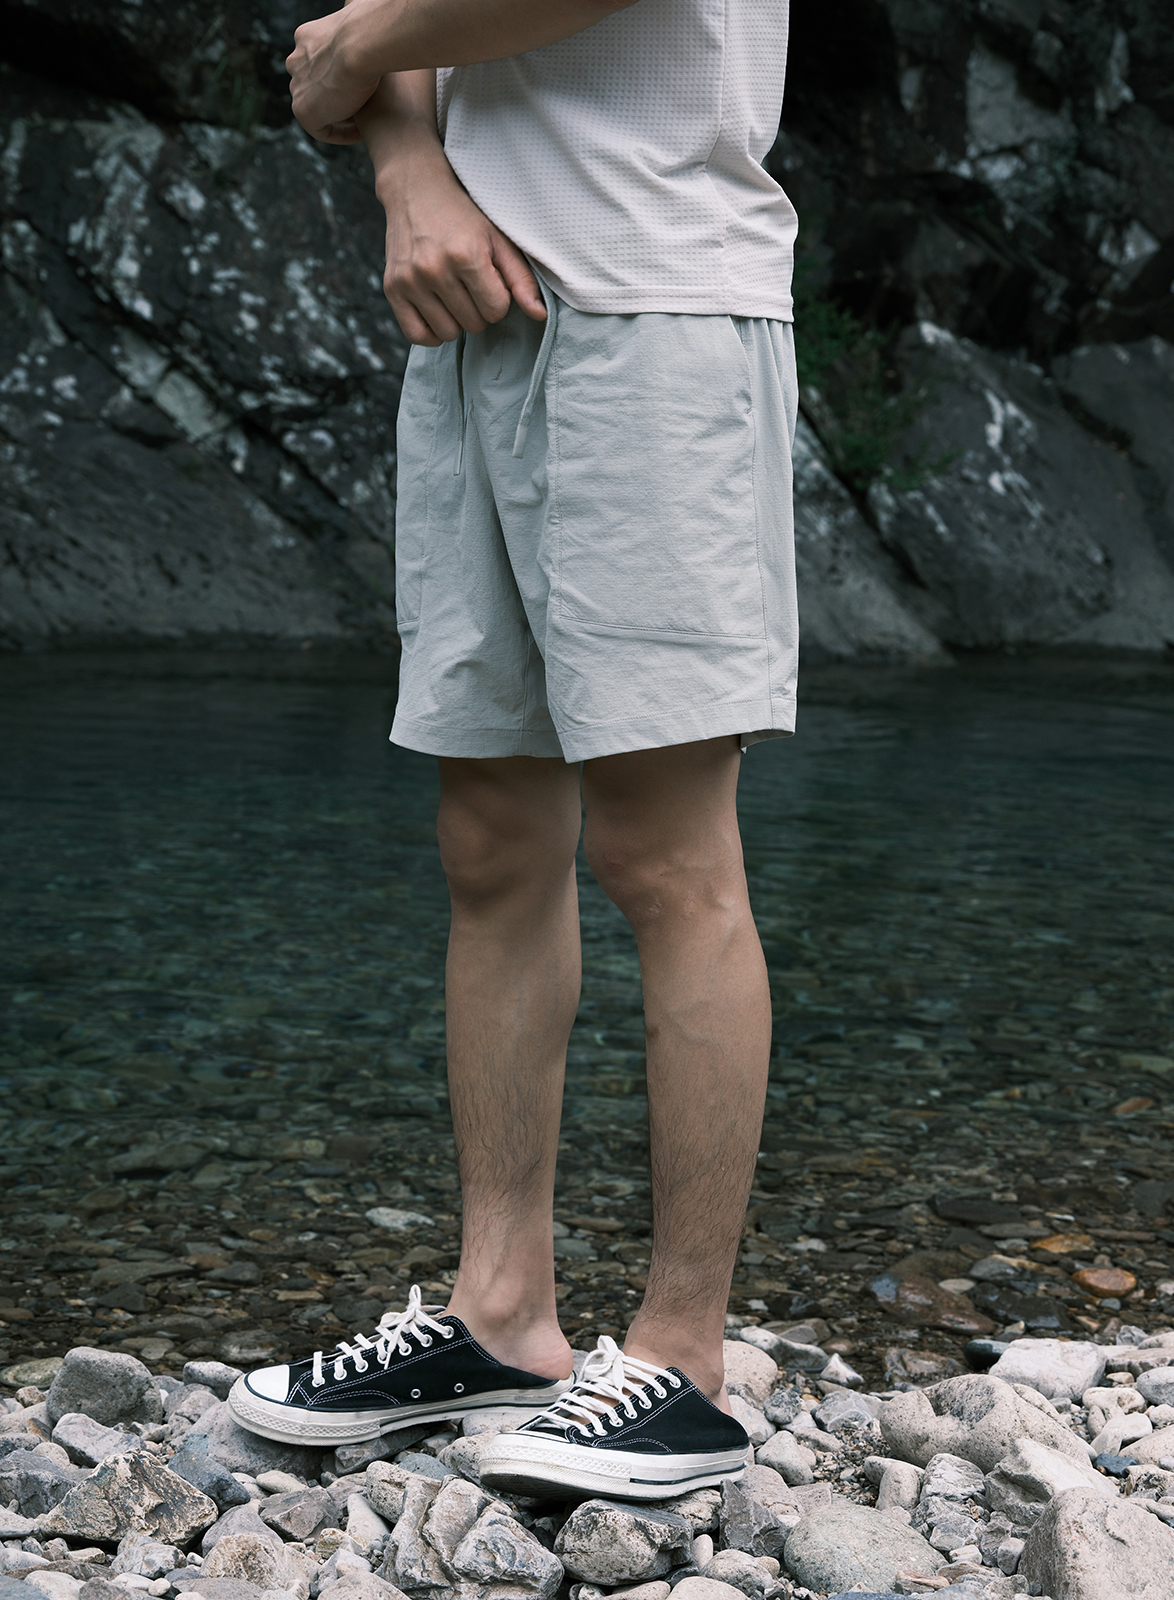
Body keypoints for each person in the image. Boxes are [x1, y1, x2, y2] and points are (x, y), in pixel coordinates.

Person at [228, 0, 798, 1501]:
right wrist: (405, 161)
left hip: (658, 309)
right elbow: (353, 48)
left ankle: (682, 1364)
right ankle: (499, 1316)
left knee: (664, 857)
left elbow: (361, 38)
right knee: (489, 843)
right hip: (475, 315)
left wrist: (363, 55)